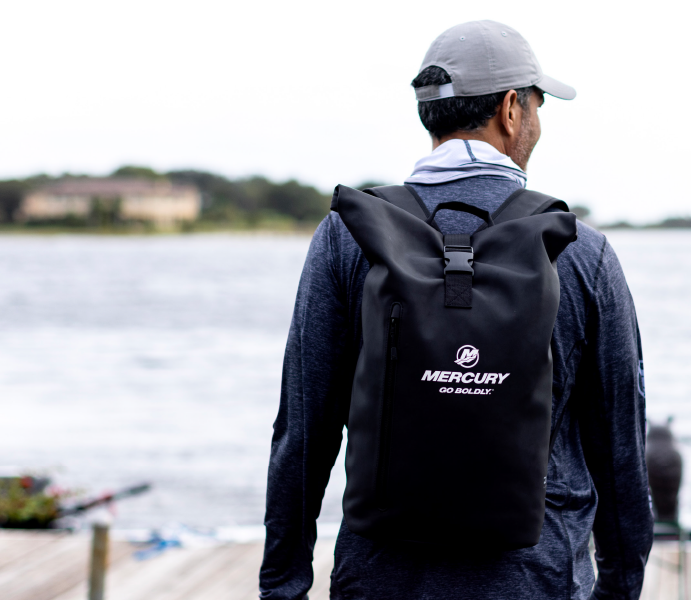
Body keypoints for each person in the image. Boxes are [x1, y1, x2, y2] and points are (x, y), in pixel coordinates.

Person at [261, 20, 652, 600]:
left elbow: (303, 429)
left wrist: (283, 589)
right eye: (540, 105)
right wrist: (619, 589)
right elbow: (621, 448)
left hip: (380, 579)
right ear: (512, 109)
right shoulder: (578, 249)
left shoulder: (348, 237)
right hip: (537, 577)